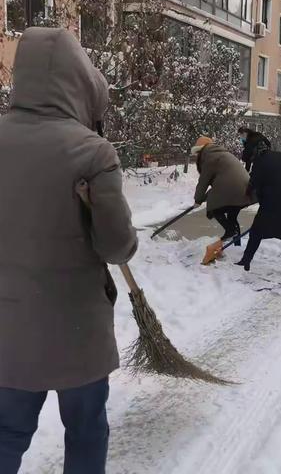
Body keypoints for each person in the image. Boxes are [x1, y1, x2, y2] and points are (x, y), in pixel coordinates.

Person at [0, 27, 138, 474]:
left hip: (7, 333)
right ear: (80, 82)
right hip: (77, 333)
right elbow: (117, 246)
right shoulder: (92, 152)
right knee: (85, 431)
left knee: (6, 434)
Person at [236, 149, 281, 275]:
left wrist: (253, 196)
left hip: (273, 197)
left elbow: (255, 182)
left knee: (257, 230)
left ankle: (246, 260)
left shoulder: (260, 162)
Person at [193, 137, 252, 241]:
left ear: (201, 150)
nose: (197, 156)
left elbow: (204, 181)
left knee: (215, 209)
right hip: (245, 188)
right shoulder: (222, 154)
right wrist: (205, 196)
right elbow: (221, 181)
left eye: (197, 153)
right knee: (232, 215)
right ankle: (236, 242)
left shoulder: (210, 157)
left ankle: (231, 232)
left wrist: (198, 199)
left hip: (234, 188)